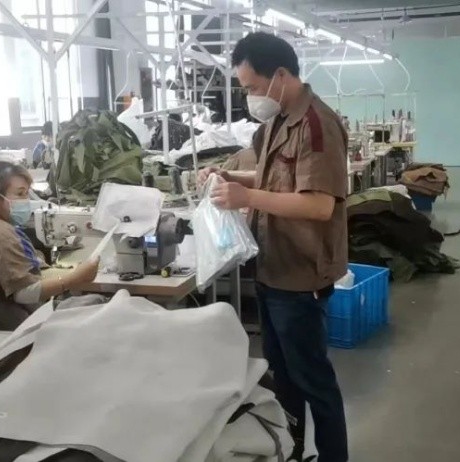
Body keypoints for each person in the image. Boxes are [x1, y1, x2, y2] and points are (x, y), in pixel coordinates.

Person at [199, 32, 349, 462]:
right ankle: (292, 450)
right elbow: (274, 182)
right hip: (272, 266)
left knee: (313, 380)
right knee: (282, 378)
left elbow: (319, 205)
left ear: (281, 75)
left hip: (300, 274)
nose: (250, 97)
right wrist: (230, 178)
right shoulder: (278, 121)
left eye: (252, 87)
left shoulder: (317, 126)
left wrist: (247, 197)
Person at [0, 161, 98, 331]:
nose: (26, 201)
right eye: (20, 194)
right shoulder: (0, 231)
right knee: (97, 305)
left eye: (26, 193)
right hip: (6, 327)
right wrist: (75, 278)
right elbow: (24, 293)